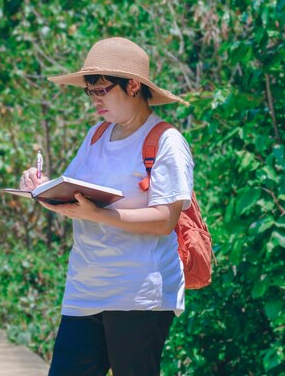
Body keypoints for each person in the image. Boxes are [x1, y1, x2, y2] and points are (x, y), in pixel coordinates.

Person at [19, 37, 194, 376]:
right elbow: (74, 192)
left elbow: (164, 220)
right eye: (90, 92)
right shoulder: (96, 136)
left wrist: (100, 214)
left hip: (138, 293)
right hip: (86, 288)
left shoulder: (166, 141)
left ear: (132, 85)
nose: (95, 100)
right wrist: (41, 186)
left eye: (101, 90)